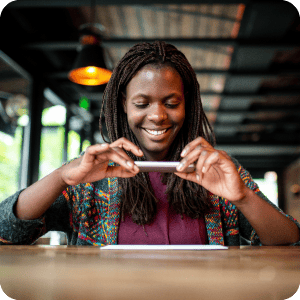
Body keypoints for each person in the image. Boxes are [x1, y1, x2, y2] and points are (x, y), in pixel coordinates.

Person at [0, 41, 299, 246]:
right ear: (124, 106)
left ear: (188, 105)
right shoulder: (91, 175)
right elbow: (7, 230)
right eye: (142, 103)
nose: (157, 116)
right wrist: (62, 176)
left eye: (171, 102)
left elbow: (290, 240)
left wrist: (244, 197)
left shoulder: (218, 169)